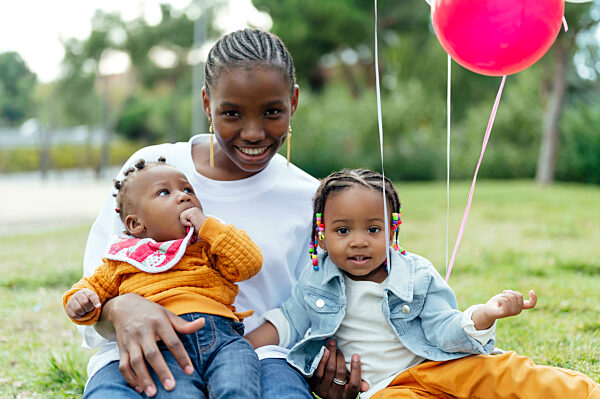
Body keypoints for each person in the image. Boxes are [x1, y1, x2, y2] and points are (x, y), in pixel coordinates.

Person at [77, 29, 353, 399]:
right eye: (231, 113)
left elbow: (312, 309)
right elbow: (96, 285)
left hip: (259, 358)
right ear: (207, 104)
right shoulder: (152, 169)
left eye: (272, 112)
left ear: (294, 101)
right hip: (142, 350)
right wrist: (121, 309)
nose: (253, 133)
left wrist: (325, 362)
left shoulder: (311, 198)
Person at [245, 168, 600, 399]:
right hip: (386, 390)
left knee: (507, 372)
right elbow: (286, 322)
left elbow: (443, 324)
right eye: (343, 230)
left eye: (373, 229)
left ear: (392, 230)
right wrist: (239, 346)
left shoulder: (414, 274)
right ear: (321, 235)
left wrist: (484, 314)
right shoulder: (316, 281)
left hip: (439, 364)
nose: (358, 241)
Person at [64, 157, 263, 398]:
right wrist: (79, 299)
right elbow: (91, 289)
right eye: (164, 192)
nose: (183, 196)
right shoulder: (124, 259)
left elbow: (249, 263)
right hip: (162, 344)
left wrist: (208, 226)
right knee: (177, 392)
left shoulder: (207, 246)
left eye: (187, 189)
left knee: (239, 386)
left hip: (223, 339)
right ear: (136, 224)